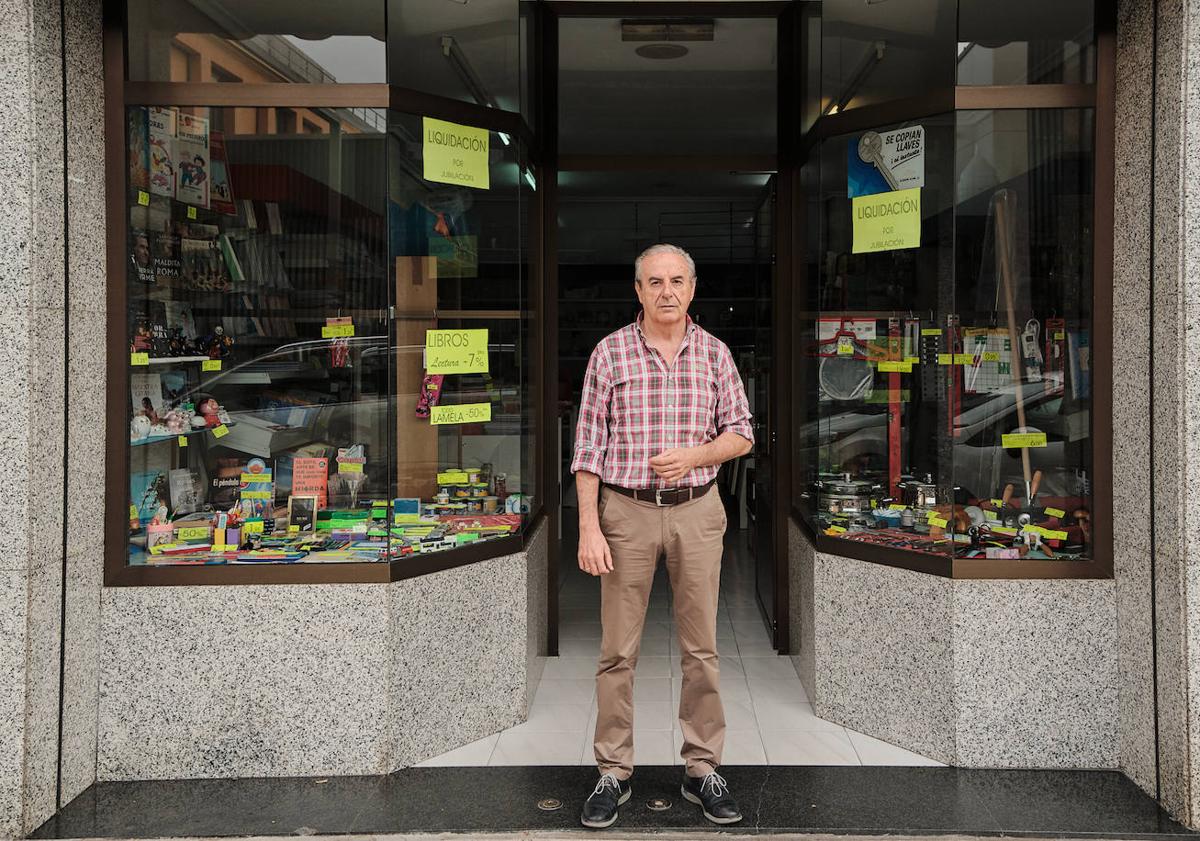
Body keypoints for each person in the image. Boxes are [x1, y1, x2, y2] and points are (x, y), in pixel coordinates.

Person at [572, 243, 754, 829]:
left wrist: (697, 455)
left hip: (698, 511)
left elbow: (743, 434)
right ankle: (613, 772)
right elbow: (586, 451)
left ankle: (703, 768)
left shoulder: (715, 355)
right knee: (617, 650)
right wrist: (588, 527)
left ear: (693, 288)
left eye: (677, 281)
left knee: (701, 648)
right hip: (624, 513)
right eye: (655, 282)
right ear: (639, 290)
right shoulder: (609, 354)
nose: (667, 291)